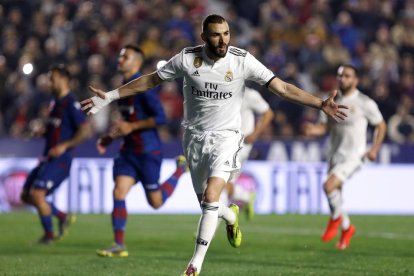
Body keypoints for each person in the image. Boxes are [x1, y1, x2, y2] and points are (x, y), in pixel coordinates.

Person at [80, 14, 347, 275]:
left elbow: (283, 88)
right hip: (194, 139)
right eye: (217, 35)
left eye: (227, 34)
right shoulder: (186, 59)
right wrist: (111, 96)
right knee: (208, 205)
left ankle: (194, 265)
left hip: (227, 137)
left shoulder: (242, 60)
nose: (223, 40)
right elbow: (151, 80)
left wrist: (319, 103)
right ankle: (231, 216)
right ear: (204, 37)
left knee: (211, 197)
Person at [95, 45, 189, 258]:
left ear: (136, 62)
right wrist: (111, 137)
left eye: (125, 56)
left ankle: (180, 170)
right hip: (128, 151)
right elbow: (126, 122)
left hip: (148, 151)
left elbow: (162, 118)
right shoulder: (122, 87)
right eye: (120, 56)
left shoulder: (144, 88)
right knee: (118, 192)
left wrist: (132, 127)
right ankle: (118, 244)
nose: (120, 59)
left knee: (155, 202)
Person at [302, 64, 386, 250]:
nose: (343, 79)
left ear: (355, 80)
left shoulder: (365, 102)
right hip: (335, 154)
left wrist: (374, 148)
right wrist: (312, 130)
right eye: (340, 76)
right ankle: (347, 228)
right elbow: (324, 127)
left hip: (355, 155)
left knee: (329, 185)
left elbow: (381, 125)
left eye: (347, 76)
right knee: (336, 192)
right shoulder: (331, 101)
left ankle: (335, 219)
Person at [20, 64, 91, 244]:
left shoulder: (71, 103)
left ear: (63, 79)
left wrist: (64, 146)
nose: (49, 82)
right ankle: (62, 216)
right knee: (26, 196)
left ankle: (49, 236)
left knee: (38, 194)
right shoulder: (55, 104)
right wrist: (43, 132)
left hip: (61, 159)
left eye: (52, 79)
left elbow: (85, 131)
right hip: (48, 158)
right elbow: (55, 130)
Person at [223, 87, 274, 220]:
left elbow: (268, 113)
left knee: (220, 184)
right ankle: (246, 196)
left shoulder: (249, 94)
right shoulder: (221, 92)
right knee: (222, 184)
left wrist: (255, 134)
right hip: (223, 144)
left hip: (241, 146)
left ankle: (208, 232)